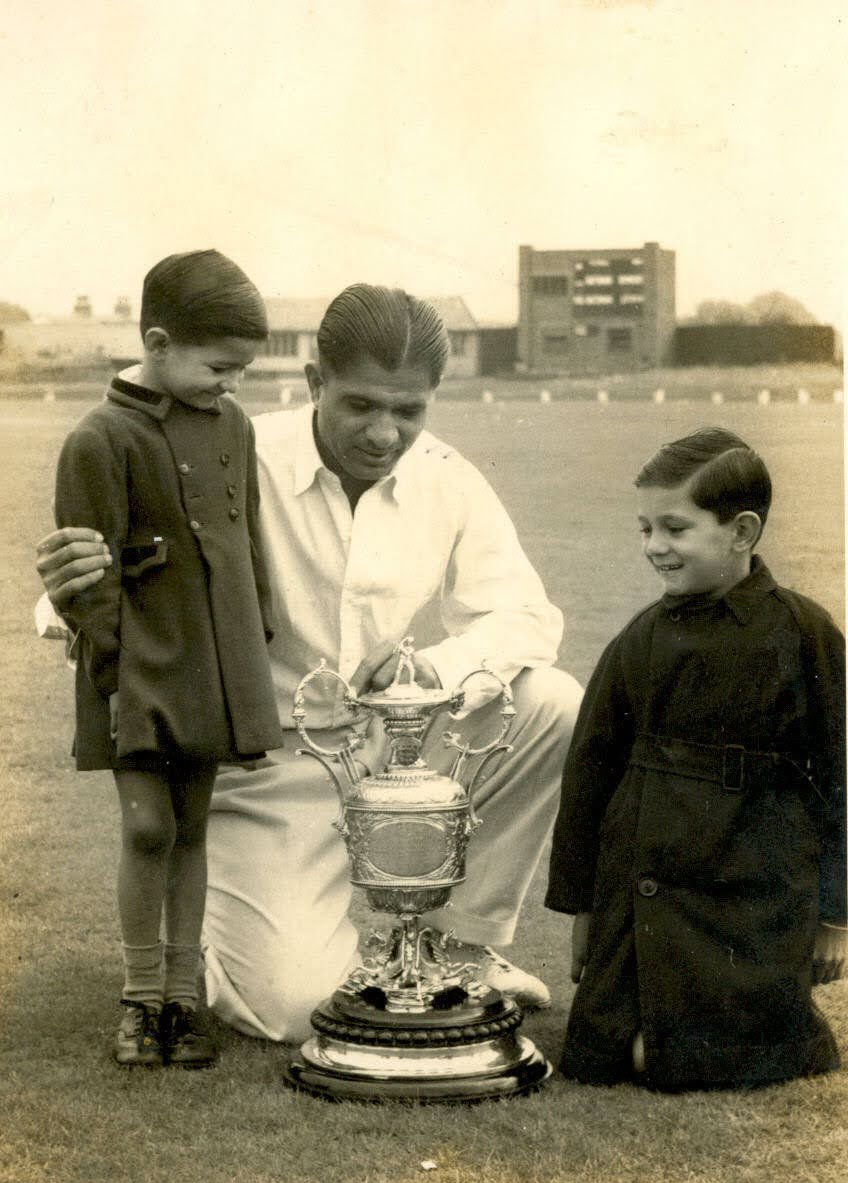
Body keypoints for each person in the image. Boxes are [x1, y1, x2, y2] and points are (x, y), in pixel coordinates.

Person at [38, 282, 583, 1044]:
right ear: (313, 382)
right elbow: (101, 594)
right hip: (263, 764)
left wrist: (434, 668)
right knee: (297, 1009)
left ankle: (459, 949)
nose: (385, 433)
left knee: (550, 702)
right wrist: (69, 586)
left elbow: (526, 614)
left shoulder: (448, 474)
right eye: (361, 404)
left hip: (390, 747)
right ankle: (213, 942)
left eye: (409, 410)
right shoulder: (231, 454)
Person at [545, 427, 847, 1092]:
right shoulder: (640, 640)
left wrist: (835, 914)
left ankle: (771, 1028)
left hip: (752, 890)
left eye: (675, 529)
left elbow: (837, 777)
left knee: (678, 1058)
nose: (655, 547)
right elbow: (589, 774)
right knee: (605, 1057)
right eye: (645, 528)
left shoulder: (805, 633)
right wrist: (584, 908)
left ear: (741, 532)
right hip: (645, 882)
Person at [52, 250, 284, 1068]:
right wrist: (113, 675)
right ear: (157, 340)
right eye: (220, 366)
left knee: (191, 825)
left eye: (241, 370)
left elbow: (248, 536)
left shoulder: (235, 426)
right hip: (137, 667)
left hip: (214, 664)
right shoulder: (99, 437)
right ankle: (139, 995)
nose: (231, 383)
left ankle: (183, 1002)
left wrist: (256, 643)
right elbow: (88, 577)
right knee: (147, 825)